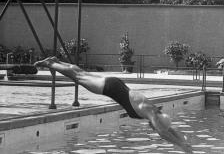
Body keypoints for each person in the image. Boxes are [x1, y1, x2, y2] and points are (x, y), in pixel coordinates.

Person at [34, 56, 193, 153]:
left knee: (80, 73)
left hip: (115, 84)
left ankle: (56, 61)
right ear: (157, 121)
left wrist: (184, 143)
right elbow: (164, 133)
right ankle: (50, 64)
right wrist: (181, 146)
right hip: (108, 88)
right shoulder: (151, 114)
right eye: (155, 126)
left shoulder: (154, 110)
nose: (153, 128)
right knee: (78, 77)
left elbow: (168, 129)